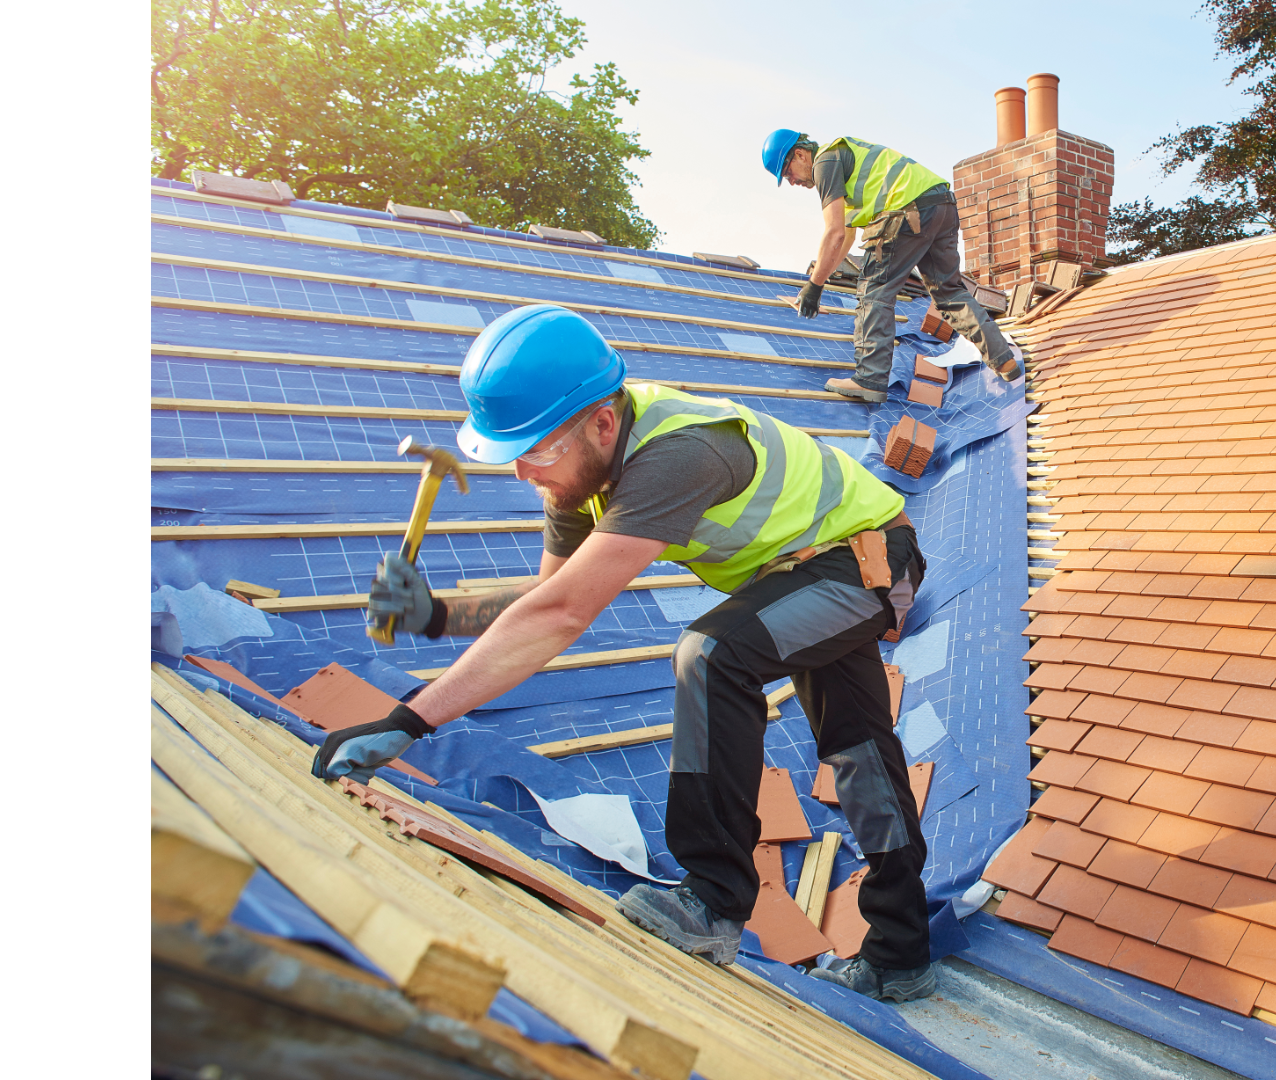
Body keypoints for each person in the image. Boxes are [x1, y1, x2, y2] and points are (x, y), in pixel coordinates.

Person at [310, 304, 937, 1003]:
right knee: (858, 751)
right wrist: (436, 616)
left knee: (712, 654)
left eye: (536, 450)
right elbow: (548, 601)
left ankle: (713, 900)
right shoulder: (576, 472)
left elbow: (559, 617)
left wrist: (408, 721)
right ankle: (901, 953)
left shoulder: (678, 455)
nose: (522, 472)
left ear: (602, 424)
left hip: (869, 560)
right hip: (804, 572)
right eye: (511, 453)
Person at [761, 128, 1021, 402]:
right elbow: (845, 237)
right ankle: (1004, 360)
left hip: (906, 209)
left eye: (788, 172)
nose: (791, 182)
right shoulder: (846, 166)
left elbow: (833, 232)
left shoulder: (825, 163)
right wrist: (819, 283)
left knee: (874, 290)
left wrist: (813, 287)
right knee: (949, 293)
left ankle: (869, 379)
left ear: (801, 154)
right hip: (941, 205)